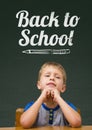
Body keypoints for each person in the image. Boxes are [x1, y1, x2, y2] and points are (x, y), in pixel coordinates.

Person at [20, 61, 82, 128]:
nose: (52, 78)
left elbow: (76, 122)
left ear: (63, 88)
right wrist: (41, 98)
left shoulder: (67, 106)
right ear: (39, 85)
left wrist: (58, 98)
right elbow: (24, 123)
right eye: (47, 75)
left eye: (57, 77)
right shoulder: (32, 105)